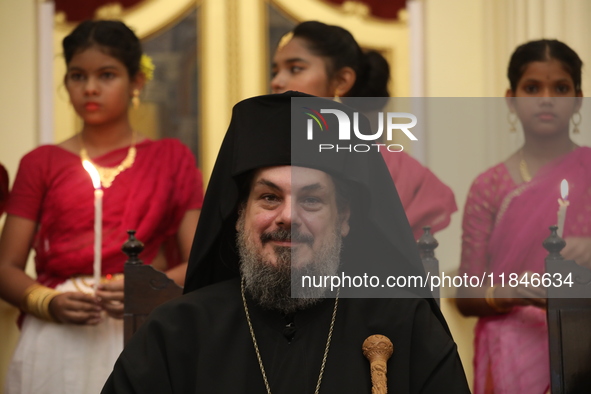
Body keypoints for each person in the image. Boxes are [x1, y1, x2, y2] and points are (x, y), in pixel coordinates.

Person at [102, 92, 470, 393]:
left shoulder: (405, 324)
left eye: (311, 200)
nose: (288, 217)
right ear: (240, 215)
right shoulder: (178, 330)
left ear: (343, 219)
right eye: (269, 197)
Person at [0, 20, 203, 394]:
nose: (90, 88)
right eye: (77, 76)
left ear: (136, 82)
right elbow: (5, 266)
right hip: (56, 335)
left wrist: (143, 289)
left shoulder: (171, 159)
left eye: (106, 75)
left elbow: (201, 263)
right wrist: (47, 302)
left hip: (141, 327)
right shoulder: (40, 162)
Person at [456, 39, 591, 394]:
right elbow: (465, 295)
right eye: (532, 88)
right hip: (510, 355)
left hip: (584, 345)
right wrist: (510, 291)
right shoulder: (489, 186)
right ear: (511, 98)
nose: (546, 98)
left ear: (578, 98)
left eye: (560, 88)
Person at [270, 21, 457, 239]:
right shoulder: (268, 155)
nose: (277, 82)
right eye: (275, 71)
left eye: (295, 69)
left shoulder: (389, 166)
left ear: (341, 80)